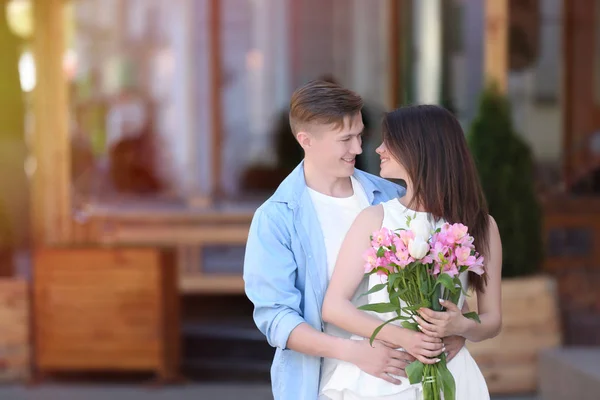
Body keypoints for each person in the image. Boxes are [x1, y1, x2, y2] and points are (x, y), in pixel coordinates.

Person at [243, 82, 466, 400]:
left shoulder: (392, 195)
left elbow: (439, 277)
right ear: (306, 141)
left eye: (360, 135)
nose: (359, 149)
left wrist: (456, 330)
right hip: (323, 384)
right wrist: (355, 352)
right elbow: (277, 318)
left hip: (411, 382)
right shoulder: (277, 218)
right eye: (345, 139)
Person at [321, 105, 502, 399]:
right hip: (385, 375)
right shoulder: (375, 219)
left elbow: (492, 319)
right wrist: (406, 338)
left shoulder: (480, 226)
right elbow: (334, 306)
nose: (378, 149)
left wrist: (462, 327)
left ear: (419, 149)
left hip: (450, 372)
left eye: (388, 141)